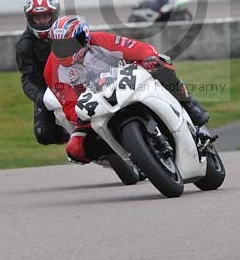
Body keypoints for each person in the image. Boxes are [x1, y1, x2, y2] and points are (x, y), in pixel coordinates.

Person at [44, 15, 210, 164]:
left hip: (127, 82)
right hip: (96, 106)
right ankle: (126, 156)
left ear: (83, 38)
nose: (63, 50)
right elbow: (68, 104)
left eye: (68, 44)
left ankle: (191, 108)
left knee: (161, 63)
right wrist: (80, 116)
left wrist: (149, 57)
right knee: (75, 149)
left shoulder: (100, 40)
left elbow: (137, 48)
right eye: (58, 45)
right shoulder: (52, 71)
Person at [15, 0, 69, 146]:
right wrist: (41, 98)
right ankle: (73, 139)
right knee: (43, 134)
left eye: (45, 16)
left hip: (76, 81)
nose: (42, 21)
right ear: (29, 18)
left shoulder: (68, 31)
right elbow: (27, 79)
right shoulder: (24, 45)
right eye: (37, 17)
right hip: (48, 92)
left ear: (54, 15)